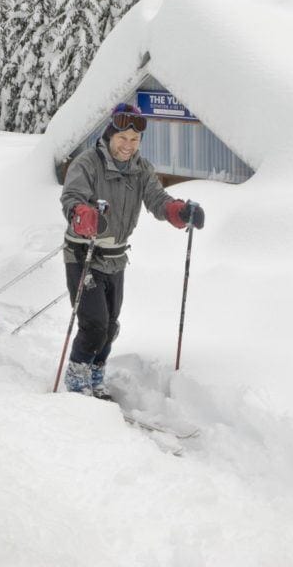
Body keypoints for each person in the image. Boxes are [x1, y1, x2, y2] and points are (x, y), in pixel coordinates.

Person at [60, 102, 206, 399]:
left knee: (110, 326)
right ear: (110, 135)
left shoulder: (141, 169)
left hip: (116, 258)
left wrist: (180, 212)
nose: (128, 146)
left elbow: (158, 200)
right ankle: (76, 381)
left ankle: (95, 375)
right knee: (95, 325)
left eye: (134, 140)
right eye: (122, 138)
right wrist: (85, 216)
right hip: (83, 254)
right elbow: (72, 199)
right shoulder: (88, 163)